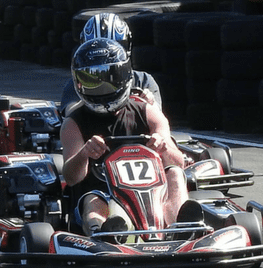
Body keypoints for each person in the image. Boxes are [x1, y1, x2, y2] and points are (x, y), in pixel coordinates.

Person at [60, 38, 191, 234]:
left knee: (175, 173)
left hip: (152, 192)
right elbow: (71, 178)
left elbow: (179, 162)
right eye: (92, 80)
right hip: (102, 190)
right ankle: (104, 234)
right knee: (93, 200)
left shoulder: (148, 112)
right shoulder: (74, 123)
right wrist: (84, 154)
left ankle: (180, 227)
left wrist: (163, 145)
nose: (101, 87)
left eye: (108, 79)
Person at [58, 12, 161, 112]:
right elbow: (69, 112)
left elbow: (158, 119)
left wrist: (148, 103)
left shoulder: (143, 80)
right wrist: (89, 103)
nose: (104, 59)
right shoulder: (78, 82)